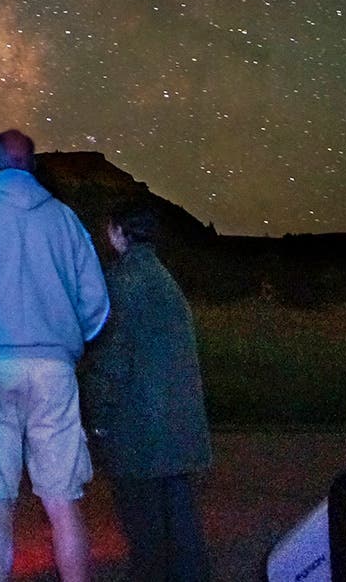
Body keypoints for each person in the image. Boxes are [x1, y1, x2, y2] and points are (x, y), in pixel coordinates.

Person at [0, 128, 110, 582]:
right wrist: (71, 341)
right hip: (54, 371)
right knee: (63, 505)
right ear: (32, 167)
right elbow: (95, 301)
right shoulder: (65, 220)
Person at [82, 204, 214, 582]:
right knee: (183, 537)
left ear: (119, 232)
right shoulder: (166, 281)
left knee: (148, 538)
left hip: (140, 430)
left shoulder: (121, 282)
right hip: (177, 428)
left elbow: (111, 357)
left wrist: (99, 417)